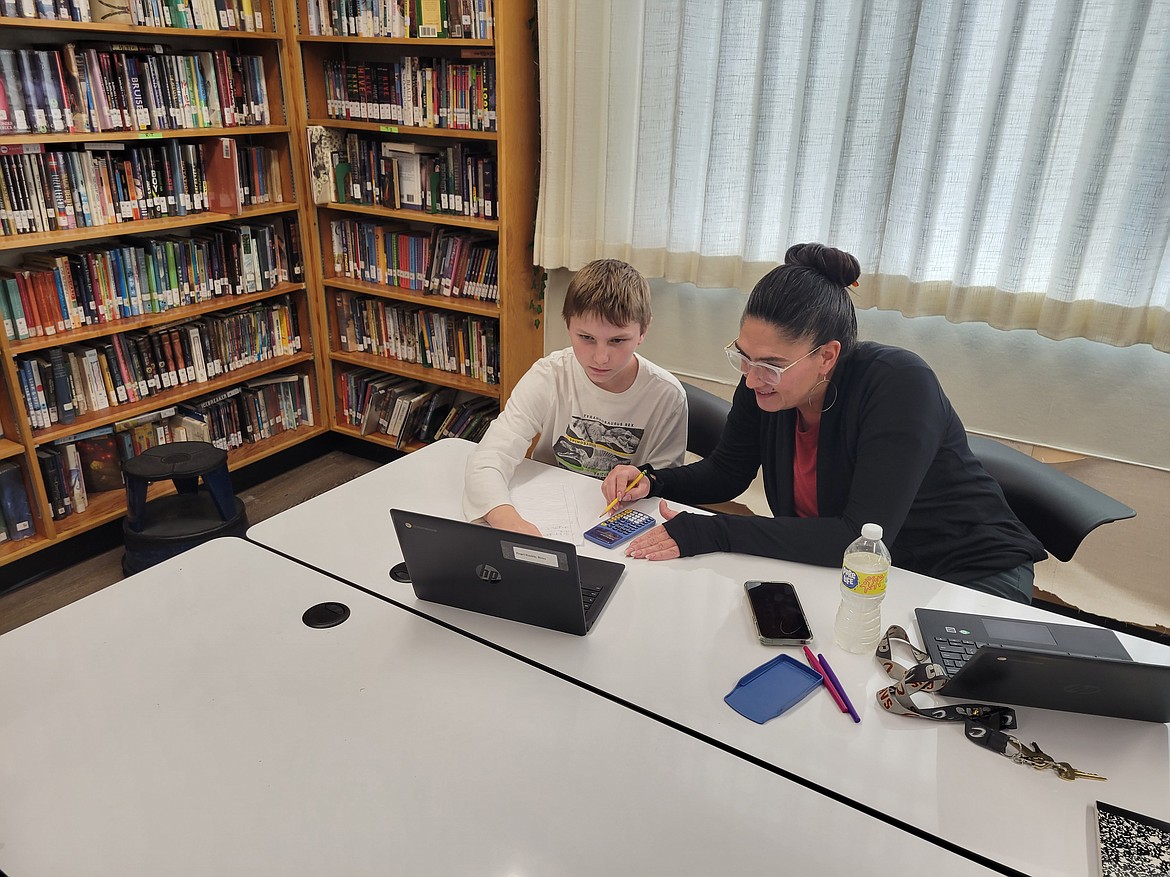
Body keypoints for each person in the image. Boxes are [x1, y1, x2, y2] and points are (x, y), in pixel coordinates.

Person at [601, 243, 1046, 603]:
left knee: (930, 693)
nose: (754, 378)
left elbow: (857, 537)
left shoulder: (898, 384)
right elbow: (727, 472)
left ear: (827, 356)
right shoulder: (765, 384)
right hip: (865, 574)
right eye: (744, 356)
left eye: (772, 364)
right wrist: (652, 481)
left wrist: (713, 530)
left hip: (968, 570)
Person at [464, 258, 688, 536]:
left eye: (617, 340)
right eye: (586, 337)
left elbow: (665, 486)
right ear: (567, 325)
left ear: (643, 331)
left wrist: (643, 484)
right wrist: (510, 522)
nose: (601, 357)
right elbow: (490, 456)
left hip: (616, 523)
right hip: (544, 513)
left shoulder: (667, 396)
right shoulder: (549, 375)